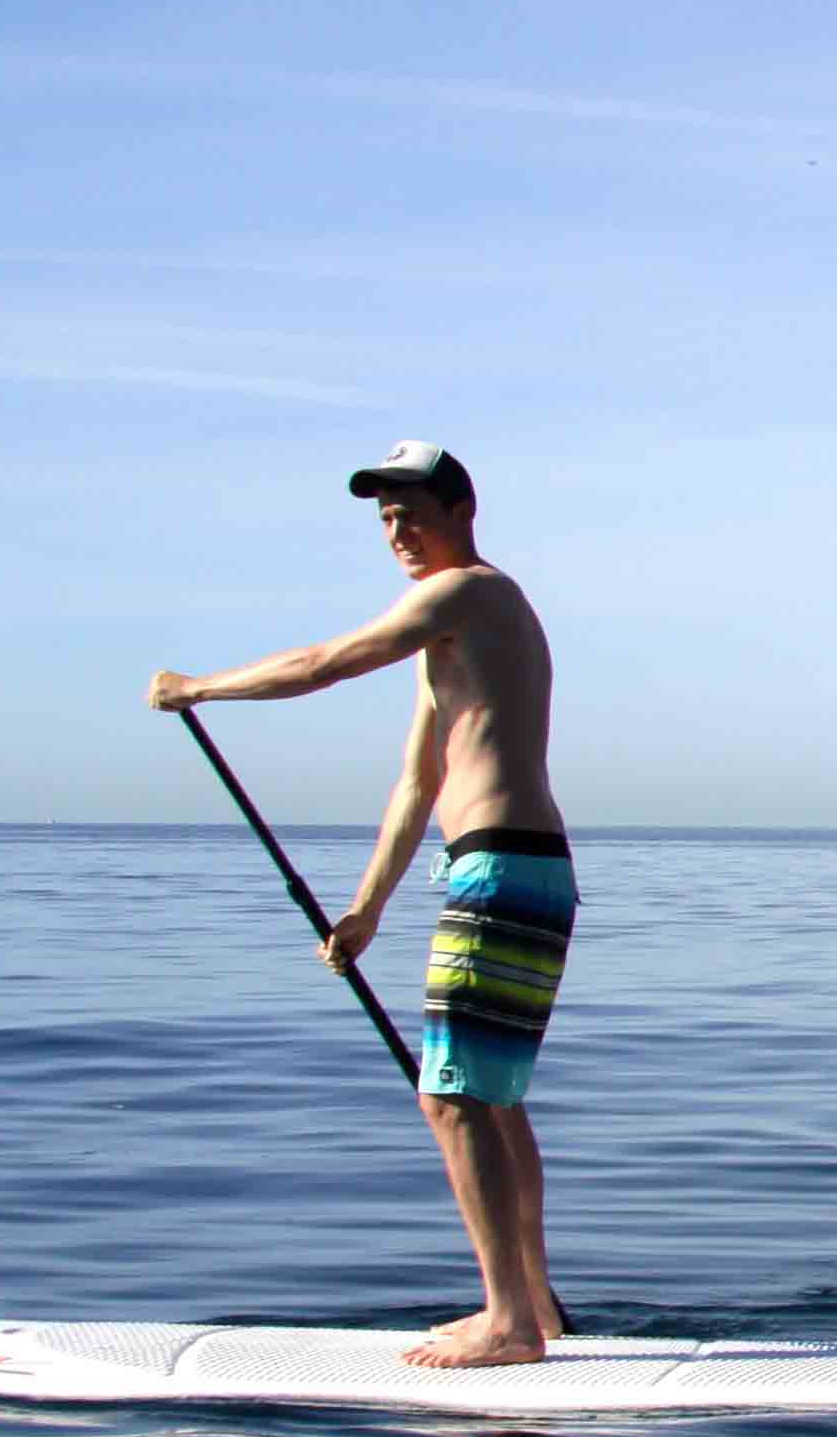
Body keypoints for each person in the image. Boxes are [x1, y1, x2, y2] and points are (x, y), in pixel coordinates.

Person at [151, 443, 575, 1370]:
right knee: (491, 1097)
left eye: (411, 510)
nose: (397, 531)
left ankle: (508, 1321)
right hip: (507, 867)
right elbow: (416, 784)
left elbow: (323, 662)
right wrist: (365, 909)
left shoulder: (469, 593)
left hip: (505, 868)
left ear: (463, 504)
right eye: (384, 519)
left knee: (452, 1095)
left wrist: (199, 687)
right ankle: (529, 1305)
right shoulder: (450, 638)